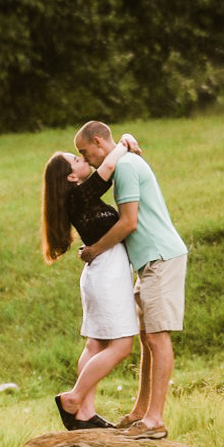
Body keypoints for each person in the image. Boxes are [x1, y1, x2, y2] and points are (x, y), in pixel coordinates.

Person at [72, 120, 188, 441]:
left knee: (157, 337)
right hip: (148, 261)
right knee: (146, 336)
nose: (87, 158)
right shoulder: (123, 162)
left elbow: (128, 223)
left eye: (85, 151)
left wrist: (94, 250)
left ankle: (154, 420)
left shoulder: (124, 167)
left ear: (98, 142)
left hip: (161, 257)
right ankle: (140, 412)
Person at [38, 134, 140, 430]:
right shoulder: (79, 195)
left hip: (100, 273)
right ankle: (74, 399)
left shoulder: (78, 197)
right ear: (71, 176)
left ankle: (85, 414)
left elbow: (103, 175)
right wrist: (123, 143)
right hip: (106, 275)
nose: (83, 159)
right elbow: (106, 170)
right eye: (77, 160)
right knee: (121, 347)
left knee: (96, 344)